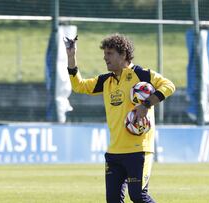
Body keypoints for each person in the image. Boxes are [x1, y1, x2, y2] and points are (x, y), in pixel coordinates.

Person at [65, 34, 175, 203]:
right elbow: (79, 86)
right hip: (114, 152)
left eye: (109, 53)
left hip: (138, 150)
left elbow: (169, 85)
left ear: (123, 54)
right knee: (113, 200)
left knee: (138, 196)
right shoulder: (106, 80)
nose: (105, 58)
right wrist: (71, 57)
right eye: (105, 54)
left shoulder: (142, 74)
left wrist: (146, 104)